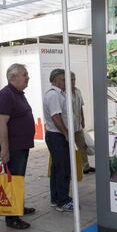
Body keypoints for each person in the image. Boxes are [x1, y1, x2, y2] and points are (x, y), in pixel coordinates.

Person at [0, 63, 35, 229]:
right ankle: (12, 218)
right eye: (25, 74)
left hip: (21, 146)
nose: (28, 77)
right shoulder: (6, 94)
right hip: (13, 147)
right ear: (13, 78)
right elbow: (1, 122)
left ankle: (18, 207)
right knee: (13, 181)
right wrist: (4, 149)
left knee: (18, 180)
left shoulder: (17, 93)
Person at [43, 69, 73, 212]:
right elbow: (56, 118)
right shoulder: (54, 95)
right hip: (57, 136)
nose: (65, 82)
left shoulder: (57, 94)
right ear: (54, 80)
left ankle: (56, 199)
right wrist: (66, 133)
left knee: (56, 168)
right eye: (62, 79)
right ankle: (63, 201)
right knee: (63, 168)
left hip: (55, 135)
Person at [71, 72, 95, 174]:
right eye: (71, 79)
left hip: (78, 125)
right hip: (68, 127)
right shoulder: (63, 93)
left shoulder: (78, 91)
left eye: (74, 79)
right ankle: (70, 169)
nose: (73, 81)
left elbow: (81, 107)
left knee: (83, 146)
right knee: (68, 149)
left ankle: (86, 167)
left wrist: (83, 120)